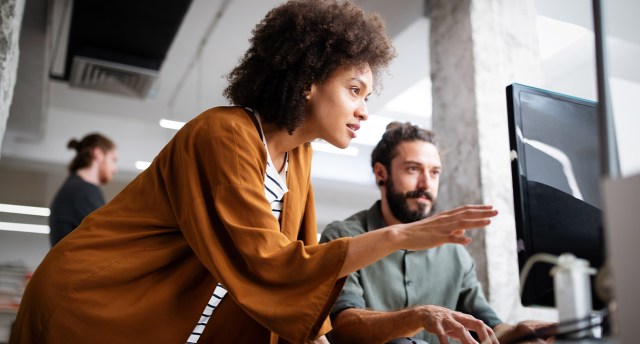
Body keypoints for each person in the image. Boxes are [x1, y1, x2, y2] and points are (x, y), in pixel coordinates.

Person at [9, 2, 499, 343]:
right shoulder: (224, 135)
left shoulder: (299, 157)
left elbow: (297, 272)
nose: (363, 110)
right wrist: (399, 236)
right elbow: (272, 265)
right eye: (354, 90)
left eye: (366, 97)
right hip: (94, 307)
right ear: (307, 82)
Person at [320, 122, 554, 344]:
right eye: (413, 169)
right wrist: (418, 316)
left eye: (434, 173)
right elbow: (342, 328)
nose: (425, 183)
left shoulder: (455, 252)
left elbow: (487, 327)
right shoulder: (344, 237)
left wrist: (520, 332)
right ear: (381, 173)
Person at [48, 133, 118, 246]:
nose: (115, 170)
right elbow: (106, 239)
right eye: (113, 160)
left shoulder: (74, 188)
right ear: (98, 153)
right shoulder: (84, 191)